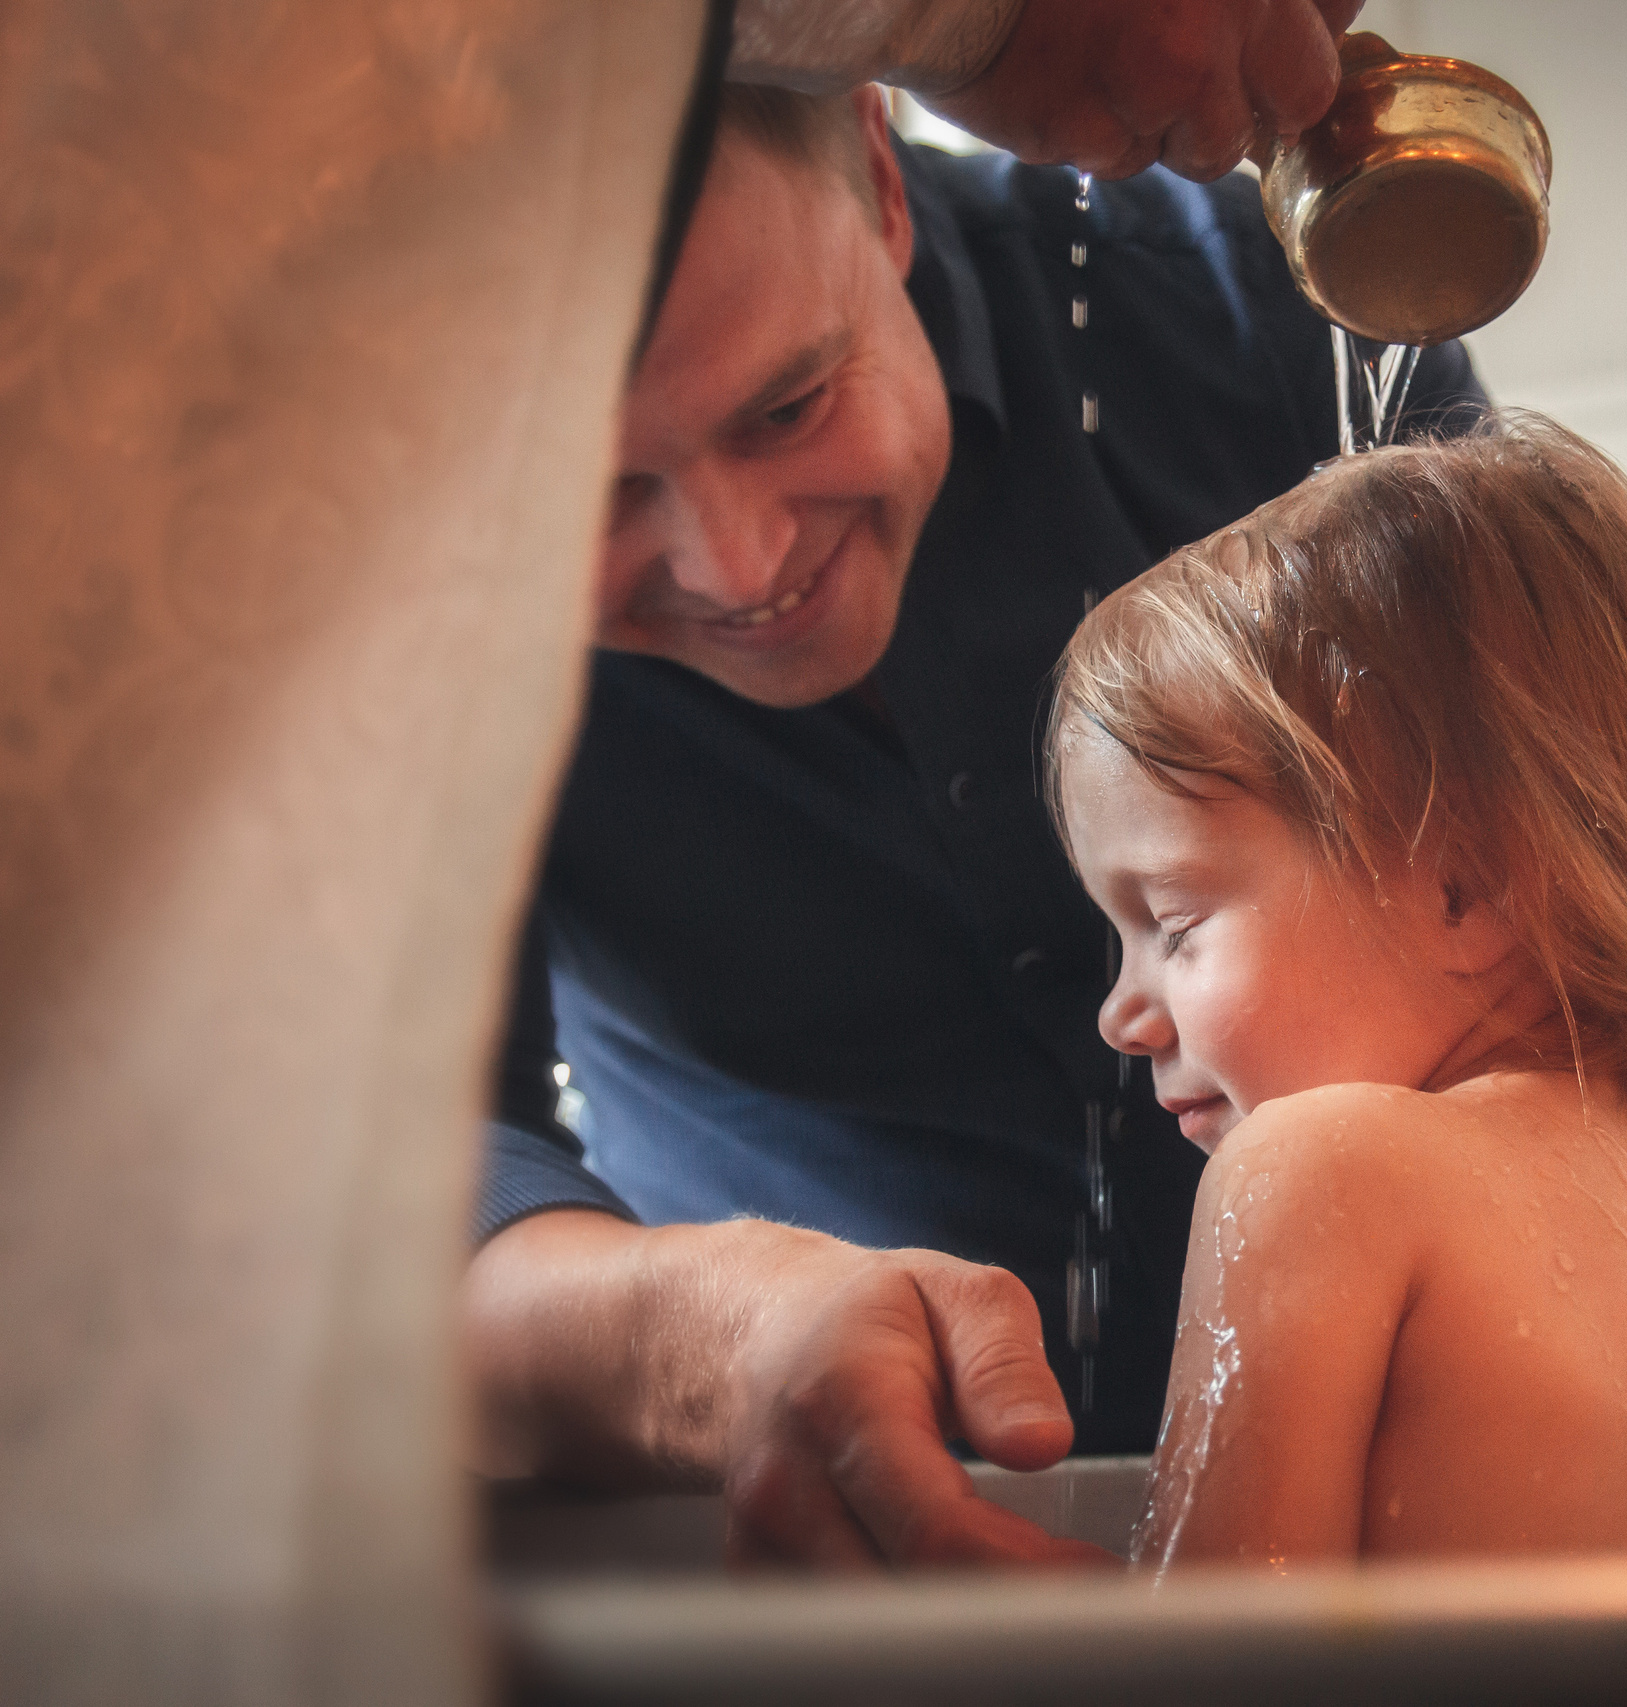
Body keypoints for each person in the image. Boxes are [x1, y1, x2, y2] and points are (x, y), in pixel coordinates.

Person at [462, 78, 1487, 1567]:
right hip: (791, 1572)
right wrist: (701, 1335)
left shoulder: (1274, 307)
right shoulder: (369, 586)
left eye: (790, 403)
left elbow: (1589, 826)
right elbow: (373, 1198)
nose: (739, 563)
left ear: (879, 177)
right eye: (585, 493)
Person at [1050, 418, 1627, 1564]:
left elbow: (1205, 1663)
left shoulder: (1321, 1171)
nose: (1121, 1012)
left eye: (1171, 924)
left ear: (1466, 886)